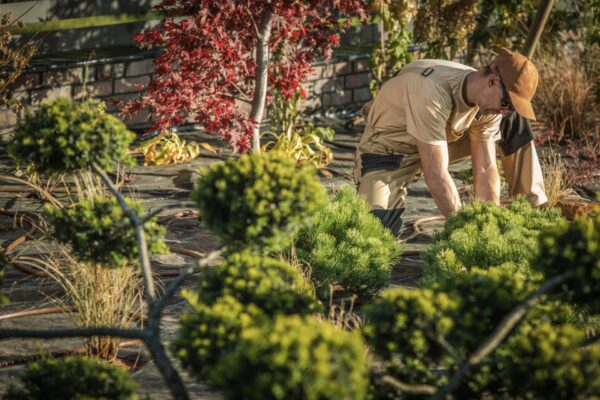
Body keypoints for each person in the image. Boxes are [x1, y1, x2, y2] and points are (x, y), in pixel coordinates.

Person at [353, 47, 547, 236]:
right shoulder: (430, 90)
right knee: (376, 233)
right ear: (493, 82)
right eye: (507, 103)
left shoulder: (486, 99)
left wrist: (489, 229)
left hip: (439, 143)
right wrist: (466, 233)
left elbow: (486, 168)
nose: (505, 111)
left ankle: (532, 212)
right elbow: (436, 174)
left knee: (513, 121)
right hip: (390, 154)